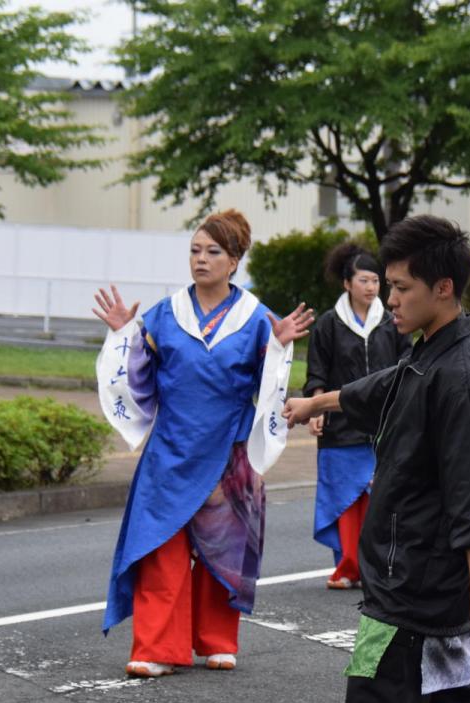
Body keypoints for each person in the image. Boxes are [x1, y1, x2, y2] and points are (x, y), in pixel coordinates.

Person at [282, 215, 470, 703]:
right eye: (387, 286)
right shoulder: (428, 357)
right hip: (420, 584)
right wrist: (317, 401)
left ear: (443, 287)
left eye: (401, 288)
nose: (389, 299)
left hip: (410, 594)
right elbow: (386, 387)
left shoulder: (459, 377)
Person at [92, 209, 314, 677]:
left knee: (224, 545)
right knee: (160, 548)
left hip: (229, 450)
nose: (201, 259)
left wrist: (278, 350)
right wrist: (122, 335)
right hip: (169, 450)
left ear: (235, 260)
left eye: (213, 252)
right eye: (195, 250)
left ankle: (216, 639)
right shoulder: (165, 313)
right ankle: (156, 648)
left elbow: (269, 389)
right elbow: (137, 375)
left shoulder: (258, 319)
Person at [304, 242, 413, 590]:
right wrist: (316, 409)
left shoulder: (392, 322)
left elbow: (408, 367)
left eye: (375, 281)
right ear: (347, 283)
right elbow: (317, 374)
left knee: (380, 501)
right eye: (363, 280)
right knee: (345, 502)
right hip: (340, 429)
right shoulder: (328, 325)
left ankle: (377, 568)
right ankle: (349, 567)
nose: (371, 287)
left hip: (383, 427)